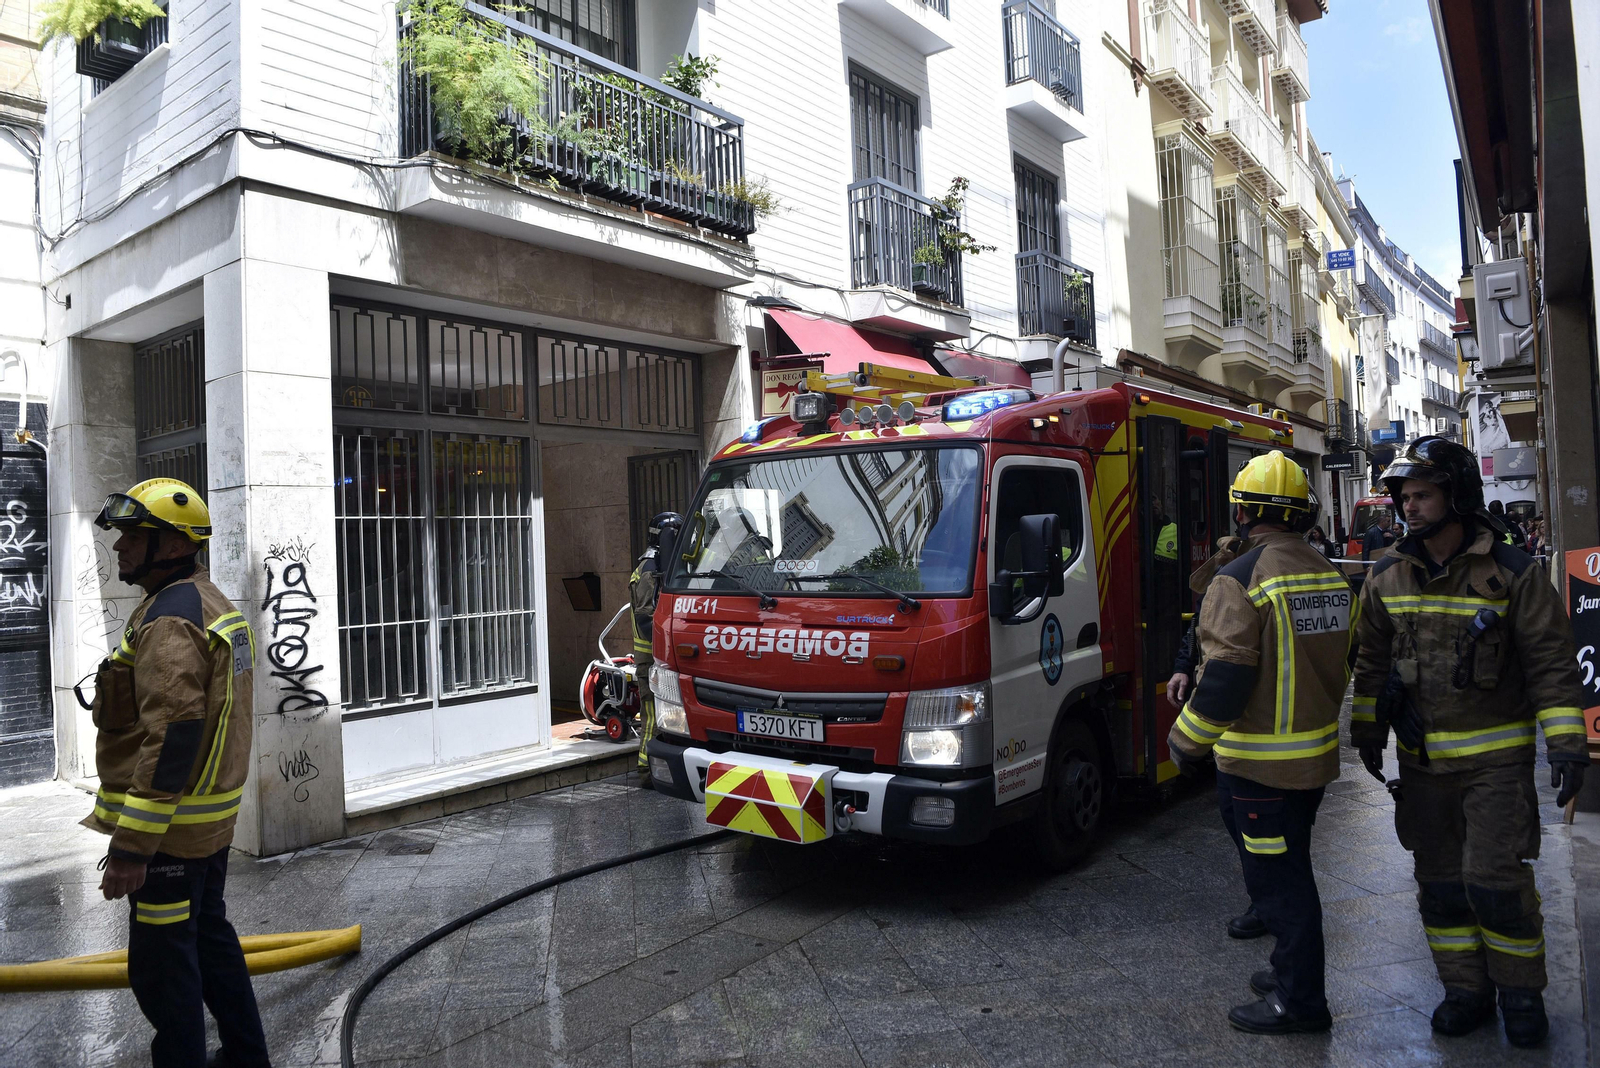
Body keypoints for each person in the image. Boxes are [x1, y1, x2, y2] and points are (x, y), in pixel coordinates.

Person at [1351, 436, 1588, 1048]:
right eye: (1405, 497)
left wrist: (1566, 744)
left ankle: (1520, 994)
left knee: (1495, 882)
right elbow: (1371, 661)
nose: (1411, 507)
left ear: (1457, 495)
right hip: (1423, 768)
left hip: (1497, 767)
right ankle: (1465, 991)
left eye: (1423, 495)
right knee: (1441, 886)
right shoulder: (1386, 575)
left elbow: (1551, 663)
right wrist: (1368, 729)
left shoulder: (1512, 575)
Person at [83, 478, 270, 1068]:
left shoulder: (171, 620)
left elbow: (173, 737)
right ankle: (245, 1056)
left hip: (169, 838)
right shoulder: (207, 602)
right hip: (203, 830)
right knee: (210, 945)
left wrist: (134, 849)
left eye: (132, 538)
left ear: (170, 544)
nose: (119, 549)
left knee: (164, 972)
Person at [1167, 452, 1356, 1034]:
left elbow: (1225, 675)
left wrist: (1184, 742)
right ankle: (1286, 973)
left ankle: (1300, 1002)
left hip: (1260, 766)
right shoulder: (1325, 571)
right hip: (1312, 759)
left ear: (1243, 510)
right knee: (1290, 870)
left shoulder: (1241, 577)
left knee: (1281, 887)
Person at [1165, 532, 1267, 943]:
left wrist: (1186, 743)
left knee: (1269, 836)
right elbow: (1202, 629)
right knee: (1235, 815)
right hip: (1236, 734)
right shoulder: (1231, 560)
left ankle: (1269, 905)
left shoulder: (1267, 567)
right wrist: (1183, 666)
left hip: (1262, 728)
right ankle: (1263, 898)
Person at [631, 511, 682, 784]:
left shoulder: (659, 566)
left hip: (659, 657)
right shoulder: (649, 570)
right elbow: (646, 618)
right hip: (650, 658)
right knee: (651, 715)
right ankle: (646, 769)